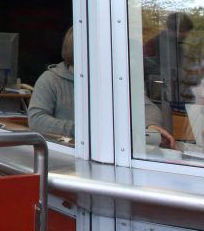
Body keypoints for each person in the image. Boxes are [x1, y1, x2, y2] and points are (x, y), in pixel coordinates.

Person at [29, 27, 175, 147]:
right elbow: (36, 120)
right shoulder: (50, 79)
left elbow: (145, 106)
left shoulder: (113, 79)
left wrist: (150, 126)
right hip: (64, 154)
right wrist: (84, 129)